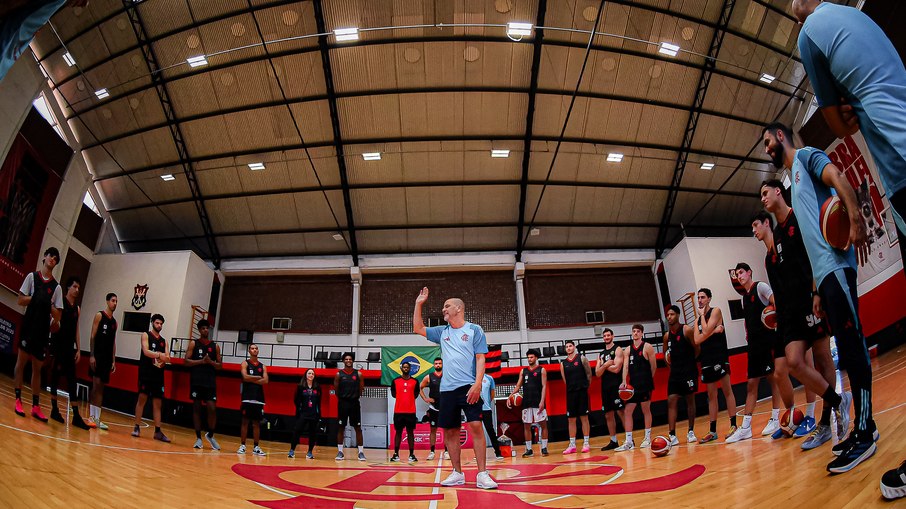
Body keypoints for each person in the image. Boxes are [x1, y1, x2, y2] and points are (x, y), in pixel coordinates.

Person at [762, 123, 876, 473]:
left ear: (781, 136)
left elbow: (838, 175)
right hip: (823, 276)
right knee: (847, 350)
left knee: (853, 347)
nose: (766, 149)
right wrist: (815, 289)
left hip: (836, 266)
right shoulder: (795, 185)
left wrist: (856, 217)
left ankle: (865, 430)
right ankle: (861, 428)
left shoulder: (807, 157)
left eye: (767, 141)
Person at [792, 0, 906, 225]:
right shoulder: (854, 14)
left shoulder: (807, 35)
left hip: (896, 150)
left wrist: (846, 115)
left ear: (799, 22)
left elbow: (840, 127)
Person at [757, 189, 846, 450]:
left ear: (778, 192)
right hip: (791, 313)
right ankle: (838, 401)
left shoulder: (799, 219)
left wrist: (817, 292)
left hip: (811, 300)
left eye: (765, 193)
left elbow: (816, 255)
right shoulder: (778, 236)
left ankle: (826, 422)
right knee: (794, 362)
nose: (763, 198)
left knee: (822, 357)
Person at [413, 287, 498, 490]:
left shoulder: (474, 330)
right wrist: (418, 303)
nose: (443, 309)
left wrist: (478, 383)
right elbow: (418, 328)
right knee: (451, 431)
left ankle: (482, 474)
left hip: (469, 387)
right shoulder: (442, 332)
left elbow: (480, 358)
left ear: (458, 308)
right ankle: (457, 473)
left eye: (447, 306)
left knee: (476, 426)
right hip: (448, 390)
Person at [727, 263, 797, 443]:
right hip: (753, 345)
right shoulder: (744, 298)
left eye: (741, 272)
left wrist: (777, 322)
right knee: (751, 384)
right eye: (737, 274)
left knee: (773, 379)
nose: (739, 276)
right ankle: (745, 428)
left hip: (768, 341)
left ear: (749, 272)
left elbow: (776, 303)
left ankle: (775, 418)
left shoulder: (761, 287)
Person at [14, 247, 63, 422]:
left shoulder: (57, 288)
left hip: (43, 332)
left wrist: (49, 304)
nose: (52, 259)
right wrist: (35, 298)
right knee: (20, 364)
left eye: (55, 258)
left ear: (56, 263)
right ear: (44, 257)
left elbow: (58, 316)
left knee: (37, 369)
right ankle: (18, 399)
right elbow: (20, 300)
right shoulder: (31, 277)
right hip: (28, 327)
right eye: (50, 256)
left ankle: (35, 406)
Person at [693, 288, 741, 443]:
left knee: (727, 391)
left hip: (719, 356)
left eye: (703, 297)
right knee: (711, 395)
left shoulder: (716, 311)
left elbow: (706, 330)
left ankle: (733, 425)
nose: (700, 300)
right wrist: (713, 331)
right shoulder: (696, 321)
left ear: (709, 299)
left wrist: (704, 321)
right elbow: (697, 340)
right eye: (698, 297)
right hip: (706, 359)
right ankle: (712, 431)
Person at [47, 276, 90, 429]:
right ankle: (54, 409)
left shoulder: (77, 309)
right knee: (55, 377)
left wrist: (78, 348)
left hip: (69, 348)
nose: (77, 290)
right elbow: (53, 321)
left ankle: (76, 416)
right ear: (68, 288)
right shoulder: (60, 303)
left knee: (72, 380)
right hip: (58, 345)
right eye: (75, 287)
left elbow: (76, 329)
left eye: (78, 288)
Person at [615, 324, 656, 451]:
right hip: (633, 387)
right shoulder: (627, 350)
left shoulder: (647, 347)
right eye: (634, 331)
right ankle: (629, 442)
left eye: (638, 331)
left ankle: (647, 438)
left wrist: (648, 380)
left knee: (645, 410)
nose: (636, 333)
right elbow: (625, 367)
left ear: (642, 333)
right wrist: (624, 381)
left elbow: (653, 366)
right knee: (627, 411)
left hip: (645, 384)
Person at [662, 306, 699, 446]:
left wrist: (690, 363)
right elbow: (665, 355)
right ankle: (672, 435)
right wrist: (671, 368)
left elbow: (697, 348)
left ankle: (691, 431)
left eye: (672, 314)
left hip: (688, 371)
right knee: (671, 400)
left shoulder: (686, 330)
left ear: (678, 315)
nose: (669, 317)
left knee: (690, 400)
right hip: (675, 373)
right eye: (667, 315)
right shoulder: (667, 336)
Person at [132, 313, 171, 442]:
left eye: (161, 324)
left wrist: (163, 360)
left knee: (157, 404)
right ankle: (136, 427)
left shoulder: (164, 341)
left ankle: (158, 431)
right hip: (146, 373)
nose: (159, 325)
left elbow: (168, 358)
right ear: (152, 323)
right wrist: (159, 355)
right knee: (142, 399)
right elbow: (146, 351)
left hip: (158, 376)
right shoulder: (146, 335)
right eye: (157, 323)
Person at [184, 319, 221, 450]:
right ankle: (198, 438)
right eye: (203, 328)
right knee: (197, 408)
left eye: (207, 328)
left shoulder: (215, 346)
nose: (206, 330)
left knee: (212, 408)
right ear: (199, 330)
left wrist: (210, 362)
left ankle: (210, 435)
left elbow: (220, 366)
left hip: (210, 382)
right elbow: (186, 361)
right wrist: (201, 361)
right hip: (197, 380)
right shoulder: (194, 343)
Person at [507, 348, 549, 457]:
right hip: (526, 402)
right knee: (526, 426)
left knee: (543, 424)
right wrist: (510, 396)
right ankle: (529, 449)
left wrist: (542, 401)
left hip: (538, 401)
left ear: (536, 358)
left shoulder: (542, 370)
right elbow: (518, 386)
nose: (529, 359)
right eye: (528, 357)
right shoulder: (523, 371)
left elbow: (544, 386)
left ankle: (544, 448)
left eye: (531, 357)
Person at [87, 292, 118, 430]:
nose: (114, 303)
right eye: (113, 300)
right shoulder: (99, 315)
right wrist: (92, 355)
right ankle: (91, 416)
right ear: (107, 301)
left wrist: (113, 360)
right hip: (97, 356)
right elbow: (92, 336)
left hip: (107, 359)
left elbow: (113, 342)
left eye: (116, 301)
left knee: (101, 388)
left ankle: (97, 418)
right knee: (95, 385)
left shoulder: (114, 323)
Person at [559, 340, 592, 454]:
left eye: (570, 346)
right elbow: (565, 380)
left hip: (582, 392)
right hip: (571, 393)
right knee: (571, 419)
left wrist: (585, 386)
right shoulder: (563, 364)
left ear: (574, 347)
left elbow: (589, 374)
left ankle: (586, 443)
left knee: (584, 417)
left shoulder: (582, 359)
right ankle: (572, 444)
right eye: (566, 347)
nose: (568, 348)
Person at [595, 328, 624, 450]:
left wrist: (603, 366)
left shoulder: (617, 349)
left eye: (608, 335)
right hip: (605, 387)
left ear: (612, 336)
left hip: (616, 386)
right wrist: (607, 364)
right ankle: (613, 441)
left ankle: (629, 439)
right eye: (604, 336)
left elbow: (617, 369)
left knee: (621, 412)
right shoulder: (601, 354)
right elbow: (597, 373)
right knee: (608, 414)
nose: (606, 337)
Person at [334, 353, 366, 461]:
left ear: (353, 361)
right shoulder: (339, 374)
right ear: (343, 361)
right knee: (341, 427)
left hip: (354, 403)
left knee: (357, 428)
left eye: (350, 359)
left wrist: (354, 396)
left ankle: (361, 452)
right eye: (346, 359)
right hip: (343, 403)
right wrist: (343, 398)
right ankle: (340, 452)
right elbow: (336, 390)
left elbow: (361, 389)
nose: (348, 360)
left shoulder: (359, 374)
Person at [238, 344, 267, 456]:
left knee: (256, 423)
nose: (254, 350)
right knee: (245, 422)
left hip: (258, 398)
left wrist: (251, 379)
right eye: (252, 348)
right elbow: (245, 377)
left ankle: (256, 447)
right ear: (249, 351)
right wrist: (257, 377)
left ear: (258, 351)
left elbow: (266, 380)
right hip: (247, 397)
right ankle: (242, 446)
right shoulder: (245, 363)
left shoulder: (263, 366)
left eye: (256, 348)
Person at [390, 362, 419, 463]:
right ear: (401, 368)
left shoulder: (415, 381)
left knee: (410, 432)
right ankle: (396, 454)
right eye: (404, 367)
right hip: (398, 411)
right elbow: (394, 394)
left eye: (407, 367)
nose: (406, 369)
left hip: (410, 411)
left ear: (410, 368)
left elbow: (416, 394)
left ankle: (411, 454)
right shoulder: (395, 381)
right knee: (398, 432)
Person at [289, 369, 321, 459]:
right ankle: (292, 450)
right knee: (297, 431)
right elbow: (296, 400)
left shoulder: (317, 387)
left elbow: (319, 402)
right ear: (306, 375)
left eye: (313, 374)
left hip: (313, 414)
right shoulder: (300, 387)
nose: (311, 375)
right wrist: (299, 409)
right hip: (303, 413)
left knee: (312, 433)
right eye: (309, 373)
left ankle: (310, 452)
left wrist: (319, 414)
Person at [419, 357, 446, 460]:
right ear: (434, 365)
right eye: (436, 363)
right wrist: (426, 399)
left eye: (439, 363)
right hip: (433, 408)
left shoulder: (447, 375)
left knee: (446, 430)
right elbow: (420, 388)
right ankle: (432, 451)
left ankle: (447, 451)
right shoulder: (429, 377)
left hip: (445, 407)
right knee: (433, 430)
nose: (438, 365)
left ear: (442, 364)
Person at [479, 372, 503, 460]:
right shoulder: (472, 377)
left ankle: (498, 452)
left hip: (486, 409)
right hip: (476, 409)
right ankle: (478, 454)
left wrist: (487, 402)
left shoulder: (489, 378)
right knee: (477, 432)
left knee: (490, 430)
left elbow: (492, 394)